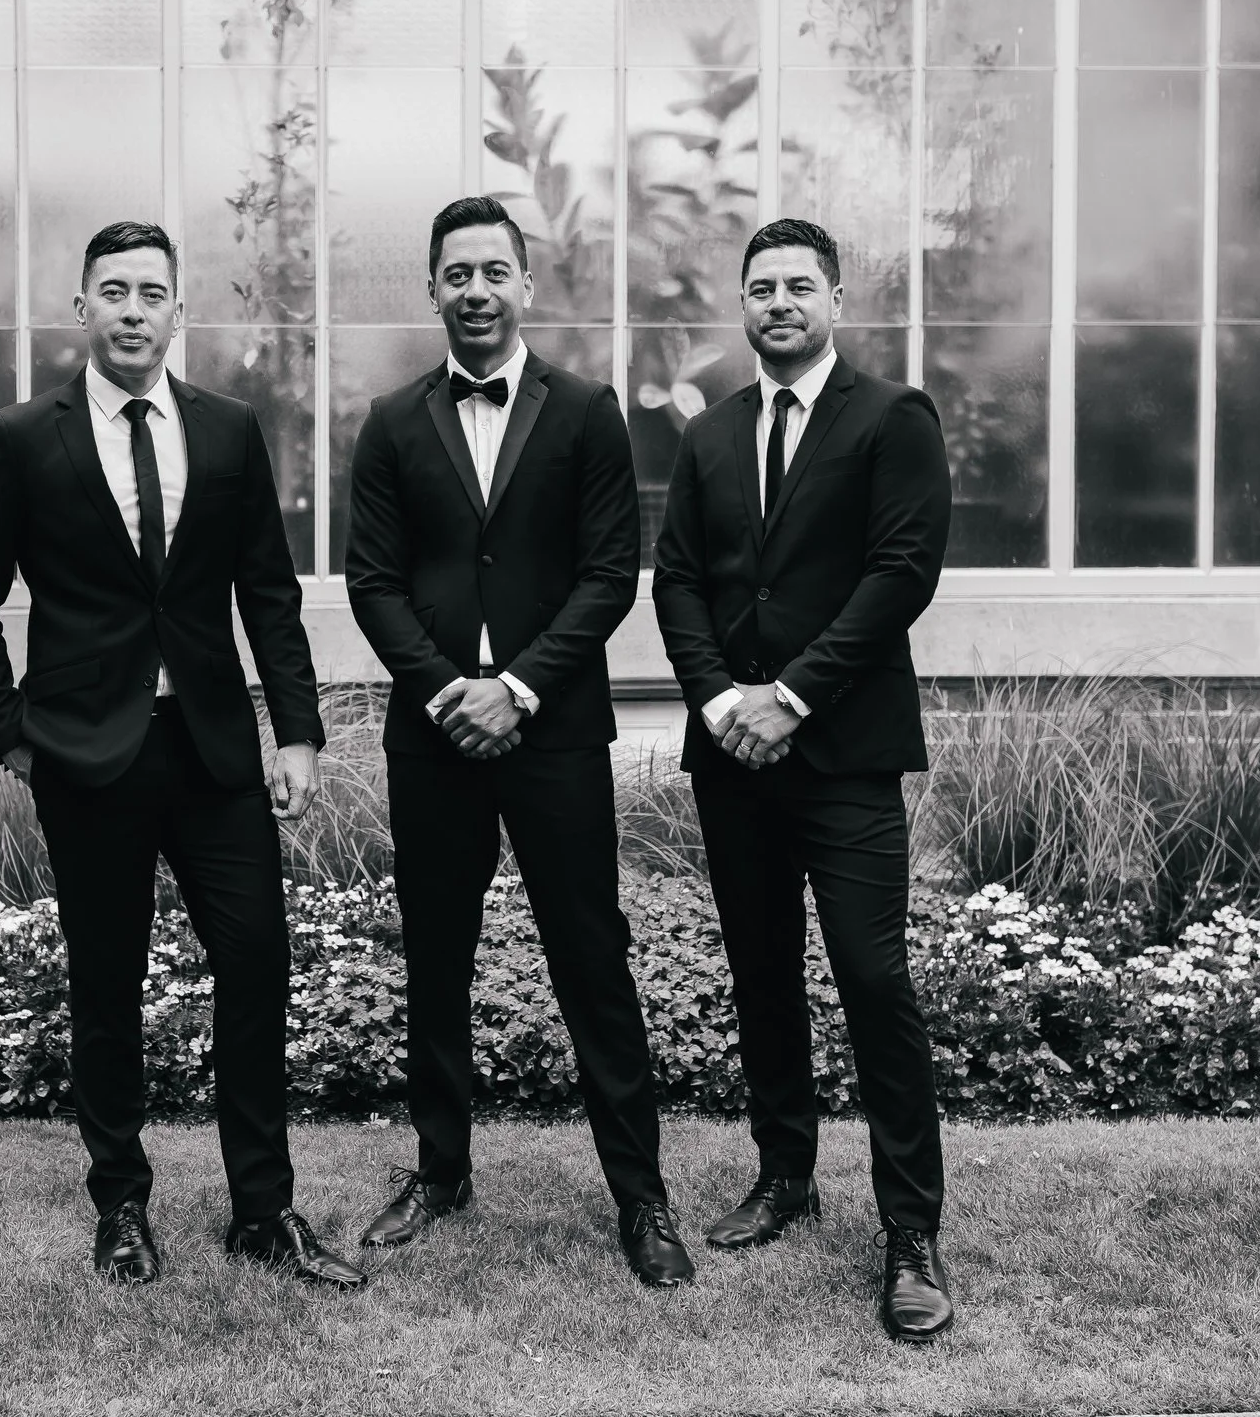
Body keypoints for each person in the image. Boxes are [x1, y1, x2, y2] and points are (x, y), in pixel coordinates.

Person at [0, 220, 364, 1291]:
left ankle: (263, 1208)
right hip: (89, 757)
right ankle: (121, 1203)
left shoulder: (225, 430)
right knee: (108, 985)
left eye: (152, 293)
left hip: (212, 749)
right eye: (113, 291)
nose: (134, 310)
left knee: (257, 964)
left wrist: (298, 732)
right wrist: (12, 735)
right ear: (81, 309)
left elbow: (267, 593)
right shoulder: (24, 436)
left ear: (181, 311)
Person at [342, 195, 691, 1288]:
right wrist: (453, 688)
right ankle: (440, 1170)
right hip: (434, 732)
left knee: (592, 958)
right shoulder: (393, 420)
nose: (477, 290)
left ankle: (641, 1196)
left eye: (495, 270)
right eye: (458, 273)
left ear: (525, 286)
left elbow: (606, 574)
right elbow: (373, 581)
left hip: (553, 734)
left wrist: (520, 690)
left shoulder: (587, 410)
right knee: (436, 962)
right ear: (435, 288)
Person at [649, 217, 958, 1341]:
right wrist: (724, 699)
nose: (778, 302)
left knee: (873, 980)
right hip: (734, 751)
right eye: (760, 287)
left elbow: (899, 572)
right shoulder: (712, 433)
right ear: (742, 305)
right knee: (762, 973)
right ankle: (785, 1177)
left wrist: (794, 694)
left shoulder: (891, 417)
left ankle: (910, 1231)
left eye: (797, 286)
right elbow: (675, 578)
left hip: (843, 753)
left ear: (835, 298)